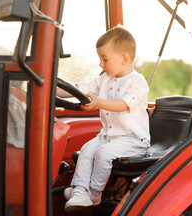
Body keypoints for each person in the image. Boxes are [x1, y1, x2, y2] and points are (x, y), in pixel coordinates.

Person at [57, 26, 150, 212]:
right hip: (108, 136)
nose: (100, 64)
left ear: (124, 59)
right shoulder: (105, 78)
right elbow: (81, 88)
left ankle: (94, 193)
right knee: (86, 150)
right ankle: (80, 190)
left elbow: (123, 104)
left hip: (132, 140)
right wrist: (50, 87)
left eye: (104, 59)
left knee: (103, 154)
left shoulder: (137, 82)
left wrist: (98, 102)